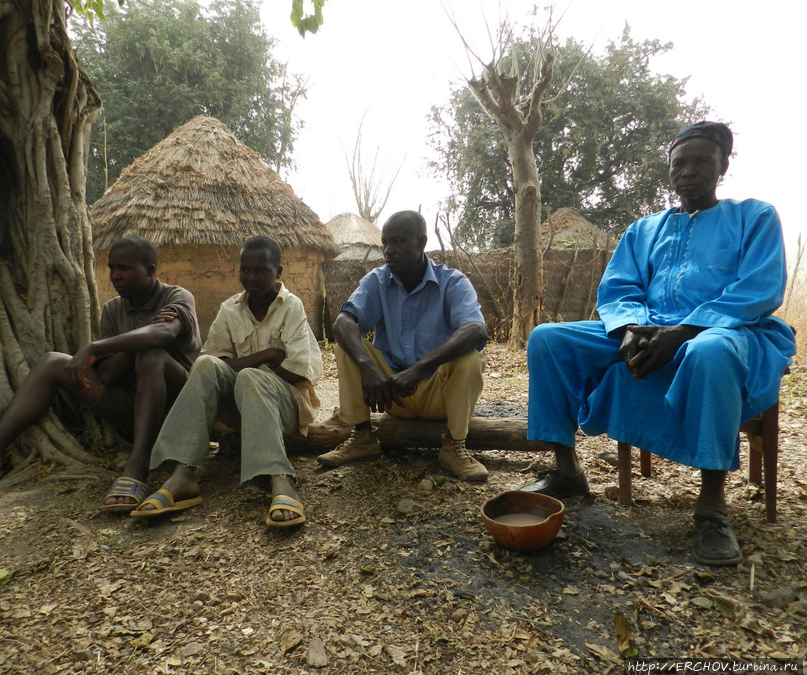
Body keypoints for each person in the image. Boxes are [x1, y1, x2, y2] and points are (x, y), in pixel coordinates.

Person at [520, 121, 796, 566]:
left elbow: (758, 290)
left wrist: (686, 331)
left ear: (723, 166)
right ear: (669, 170)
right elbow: (619, 288)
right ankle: (567, 472)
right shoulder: (644, 229)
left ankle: (710, 508)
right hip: (647, 329)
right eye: (679, 163)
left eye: (701, 161)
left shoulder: (754, 217)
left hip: (728, 332)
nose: (688, 170)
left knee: (711, 352)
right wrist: (630, 330)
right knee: (547, 339)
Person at [0, 236, 202, 512]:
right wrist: (135, 340)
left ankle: (137, 468)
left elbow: (164, 332)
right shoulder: (114, 310)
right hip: (131, 407)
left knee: (152, 356)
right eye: (112, 268)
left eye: (124, 268)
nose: (115, 275)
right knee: (52, 361)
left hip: (176, 409)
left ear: (150, 270)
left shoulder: (177, 296)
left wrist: (95, 347)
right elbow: (110, 376)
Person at [130, 236, 323, 528]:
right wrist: (268, 354)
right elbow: (214, 365)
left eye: (261, 271)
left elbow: (297, 371)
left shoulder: (291, 306)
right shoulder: (230, 308)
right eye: (245, 269)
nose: (252, 277)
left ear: (278, 272)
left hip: (285, 408)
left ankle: (279, 478)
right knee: (206, 364)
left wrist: (252, 367)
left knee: (249, 376)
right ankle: (182, 475)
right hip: (243, 409)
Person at [318, 210, 489, 481]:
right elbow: (342, 323)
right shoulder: (377, 281)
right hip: (390, 393)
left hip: (439, 396)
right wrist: (367, 366)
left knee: (471, 358)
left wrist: (421, 368)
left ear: (422, 242)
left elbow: (476, 329)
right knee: (347, 347)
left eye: (398, 242)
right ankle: (362, 437)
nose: (388, 251)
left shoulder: (452, 282)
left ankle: (454, 447)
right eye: (385, 243)